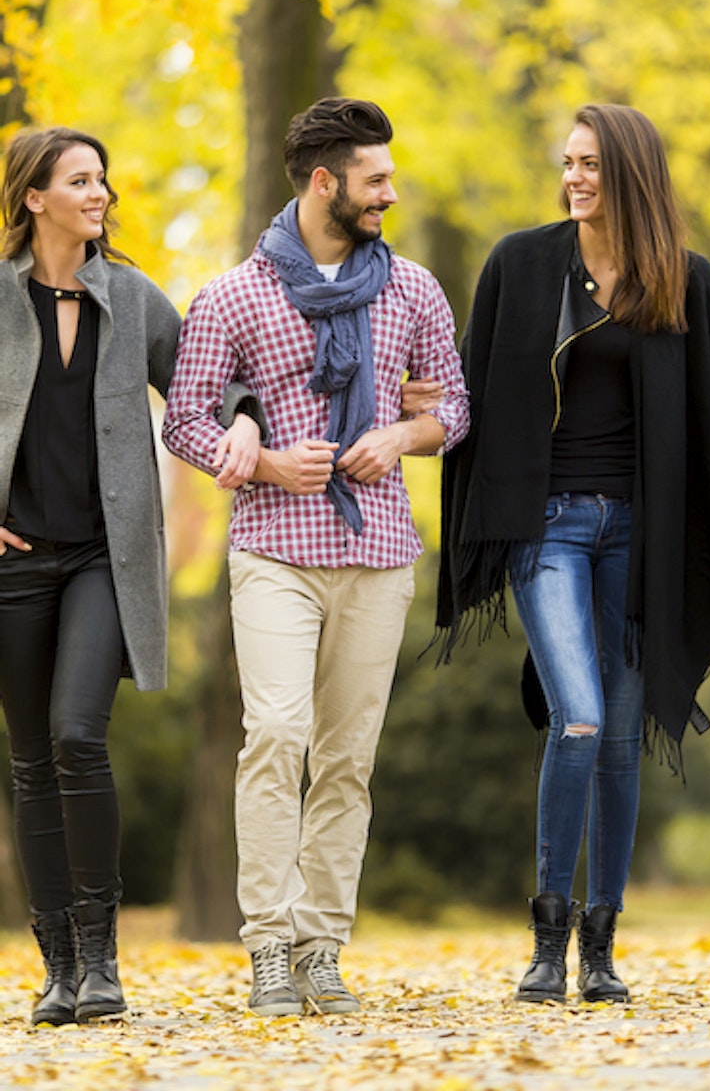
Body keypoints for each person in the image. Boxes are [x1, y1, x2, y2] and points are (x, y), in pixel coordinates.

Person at [436, 103, 710, 1005]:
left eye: (591, 165)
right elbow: (467, 382)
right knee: (576, 715)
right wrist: (424, 404)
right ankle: (547, 940)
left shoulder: (682, 283)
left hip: (639, 539)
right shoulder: (521, 265)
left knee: (619, 737)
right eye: (567, 162)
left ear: (631, 177)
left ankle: (601, 948)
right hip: (548, 530)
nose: (573, 178)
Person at [162, 97, 469, 1017]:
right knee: (279, 734)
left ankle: (322, 947)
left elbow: (453, 408)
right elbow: (184, 416)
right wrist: (256, 455)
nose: (392, 193)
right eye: (376, 179)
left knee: (345, 757)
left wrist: (401, 438)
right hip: (272, 551)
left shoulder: (411, 288)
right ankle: (267, 944)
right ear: (325, 182)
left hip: (377, 551)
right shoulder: (231, 295)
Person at [0, 127, 261, 1026]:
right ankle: (59, 967)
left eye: (102, 178)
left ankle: (103, 958)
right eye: (80, 180)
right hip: (15, 564)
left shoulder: (133, 297)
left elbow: (205, 381)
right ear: (35, 198)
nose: (100, 193)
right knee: (30, 760)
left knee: (77, 733)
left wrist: (245, 422)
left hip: (106, 560)